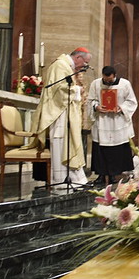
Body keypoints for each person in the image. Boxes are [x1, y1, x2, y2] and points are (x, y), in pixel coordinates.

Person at [27, 47, 91, 185]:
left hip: (64, 112)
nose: (84, 66)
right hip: (59, 113)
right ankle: (61, 181)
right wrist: (77, 90)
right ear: (78, 58)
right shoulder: (60, 65)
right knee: (61, 143)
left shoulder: (65, 66)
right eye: (85, 62)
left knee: (68, 144)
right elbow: (58, 90)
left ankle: (73, 179)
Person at [88, 66, 138, 185]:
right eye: (105, 80)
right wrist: (96, 107)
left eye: (110, 80)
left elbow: (131, 101)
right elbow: (91, 100)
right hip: (102, 121)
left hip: (118, 121)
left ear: (114, 75)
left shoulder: (125, 84)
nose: (108, 83)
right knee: (101, 150)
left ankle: (113, 175)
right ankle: (100, 175)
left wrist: (121, 108)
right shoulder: (96, 84)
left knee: (116, 151)